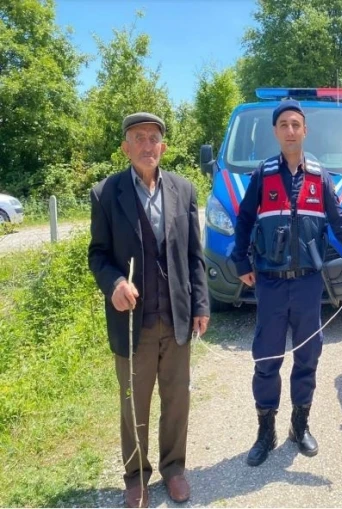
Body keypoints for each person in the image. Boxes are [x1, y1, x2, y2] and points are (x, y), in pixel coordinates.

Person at [231, 99, 342, 467]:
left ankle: (300, 425)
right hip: (269, 283)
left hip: (307, 285)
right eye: (283, 124)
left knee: (307, 357)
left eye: (296, 124)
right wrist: (239, 261)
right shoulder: (263, 176)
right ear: (275, 132)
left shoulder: (320, 176)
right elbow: (245, 220)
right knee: (266, 358)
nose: (290, 131)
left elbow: (341, 223)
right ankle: (265, 431)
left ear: (305, 130)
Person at [88, 112, 210, 507]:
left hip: (175, 318)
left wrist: (200, 303)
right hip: (132, 324)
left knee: (177, 400)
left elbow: (194, 256)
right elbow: (98, 255)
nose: (146, 144)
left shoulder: (184, 190)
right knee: (133, 404)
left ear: (163, 147)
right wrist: (115, 284)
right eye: (137, 137)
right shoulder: (106, 193)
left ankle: (174, 468)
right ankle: (136, 476)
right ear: (125, 147)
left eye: (153, 138)